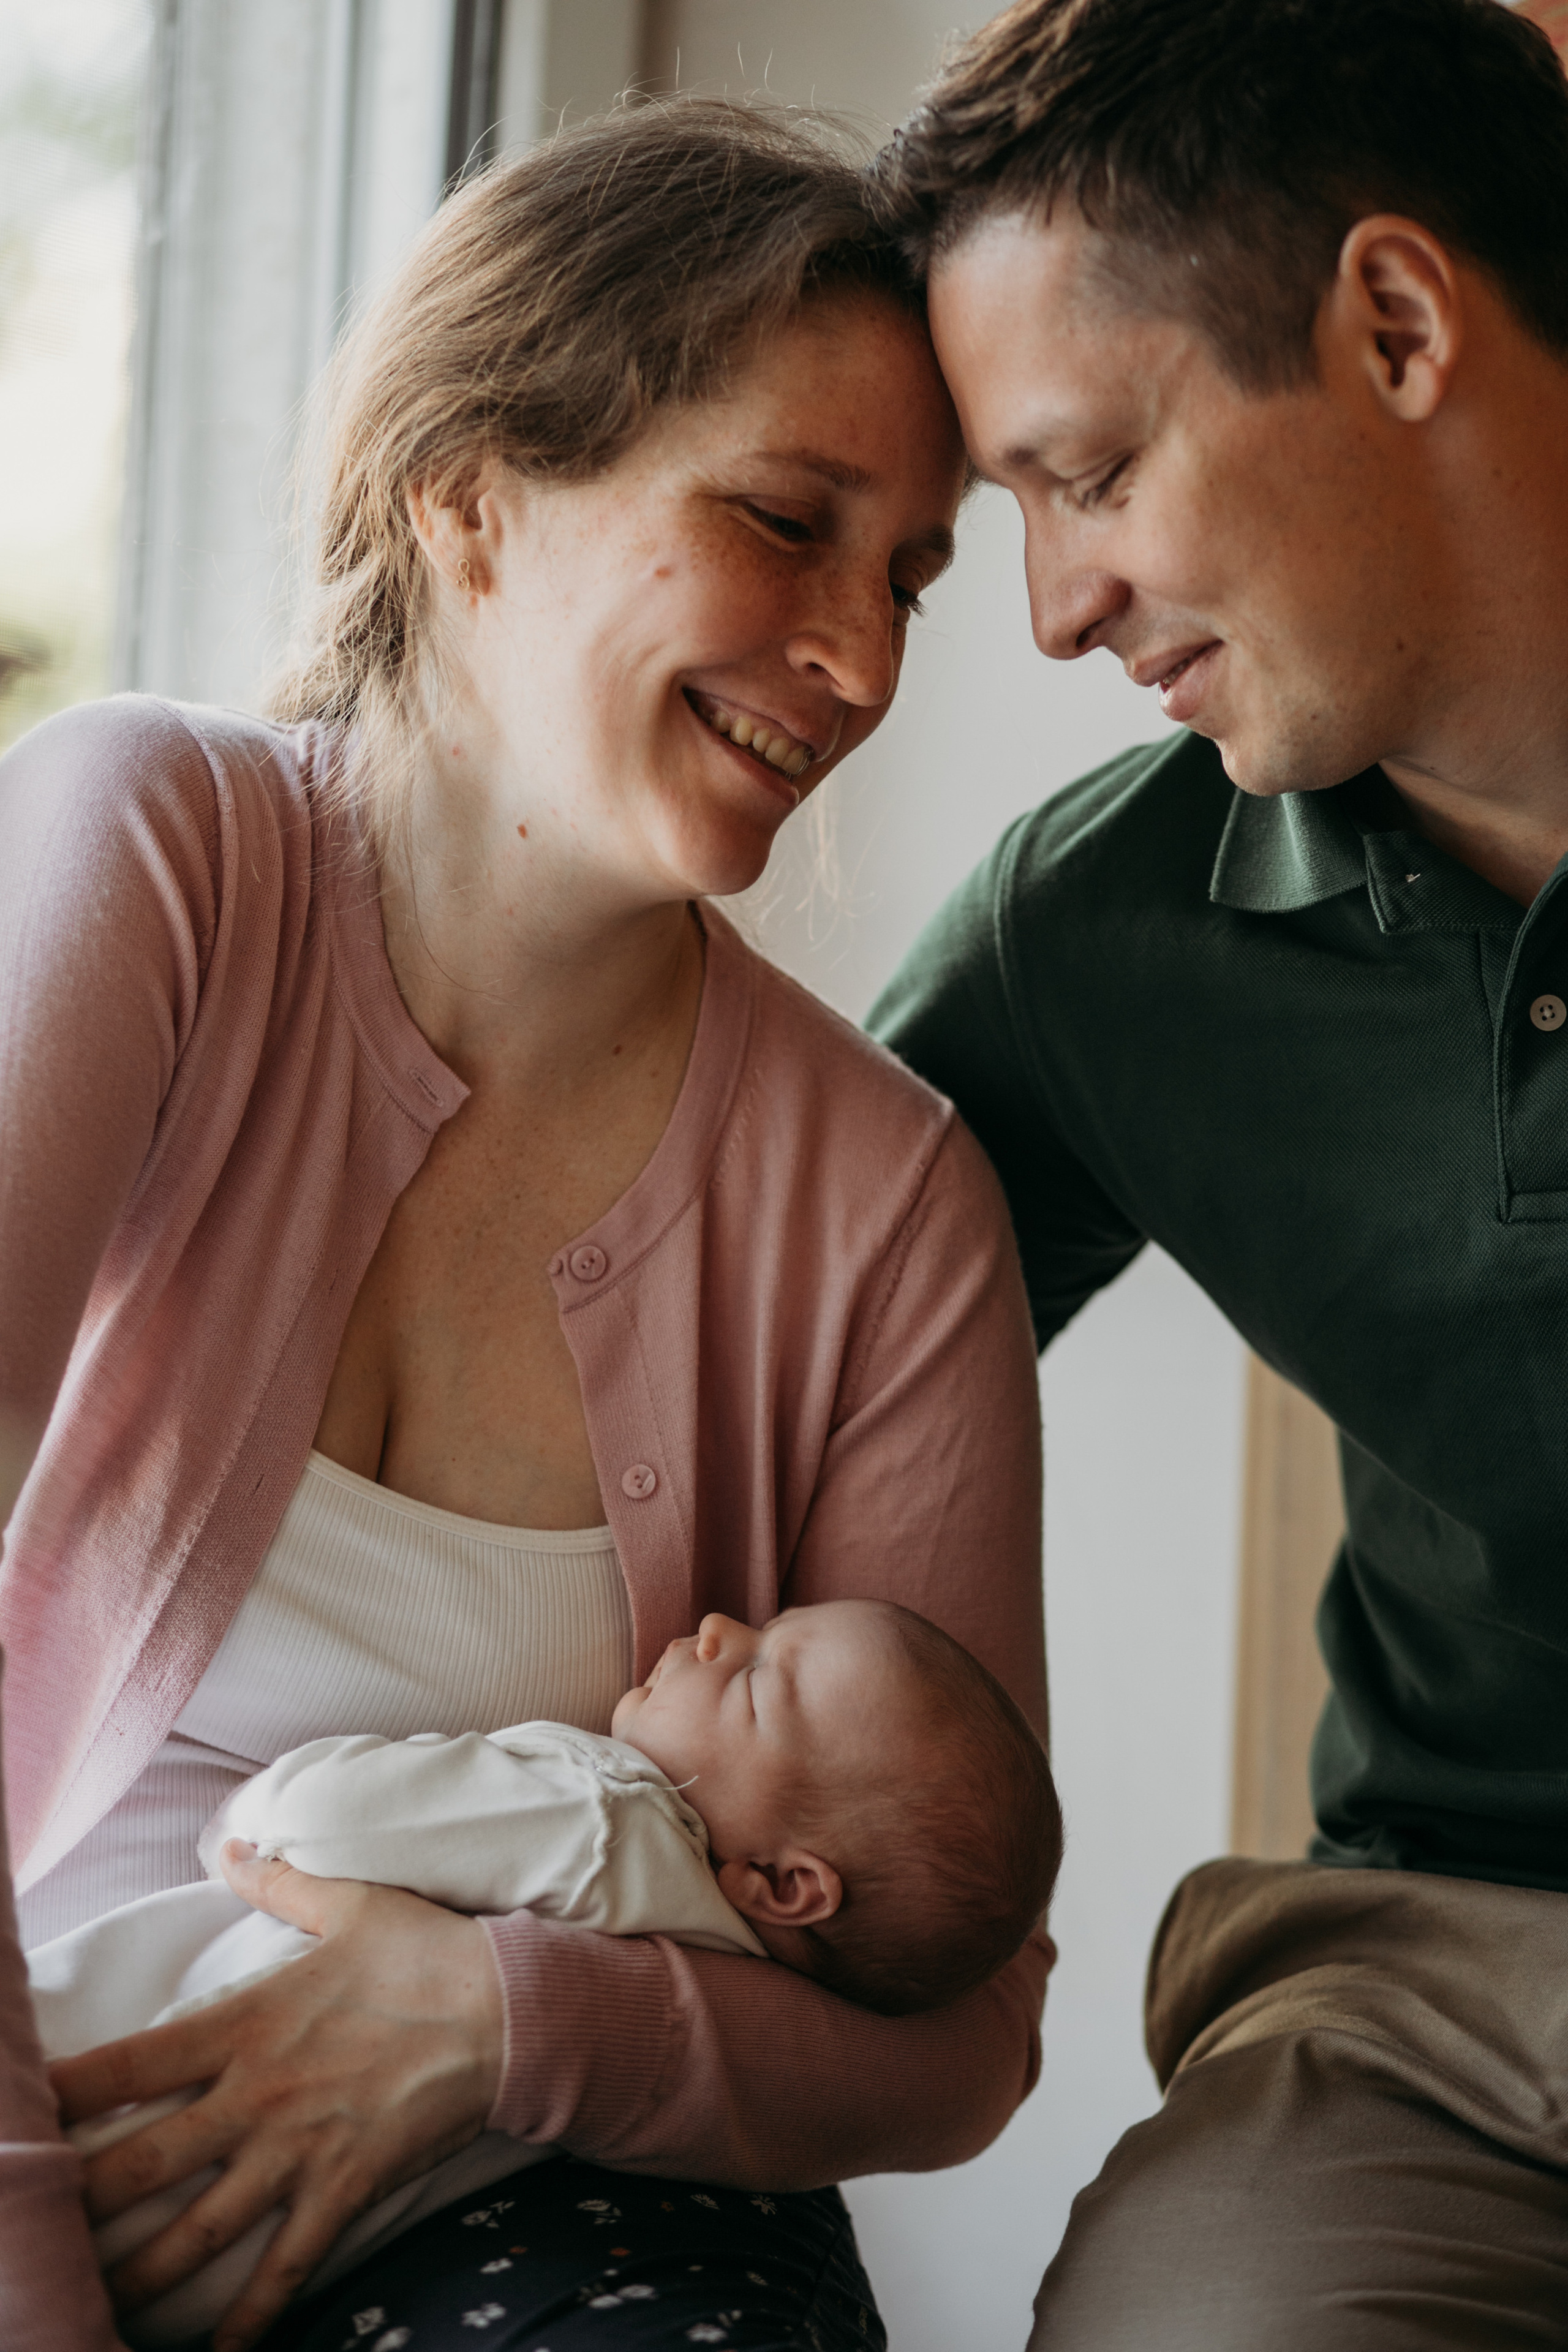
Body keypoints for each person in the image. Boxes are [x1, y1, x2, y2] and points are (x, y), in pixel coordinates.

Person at [0, 99, 1052, 2352]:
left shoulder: (892, 1209)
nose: (865, 661)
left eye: (908, 577)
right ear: (468, 492)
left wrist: (499, 2025)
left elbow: (963, 2034)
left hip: (548, 2196)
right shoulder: (149, 856)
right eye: (786, 520)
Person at [870, 0, 1568, 2342]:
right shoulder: (1095, 939)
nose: (1054, 607)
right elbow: (703, 1384)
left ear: (1396, 325)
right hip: (1442, 1993)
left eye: (1086, 474)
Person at [36, 1600, 1061, 2348]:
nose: (717, 1629)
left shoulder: (601, 1818)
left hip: (88, 2078)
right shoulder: (711, 1971)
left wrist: (241, 1829)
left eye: (757, 1680)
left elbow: (295, 1823)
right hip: (205, 2269)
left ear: (785, 1884)